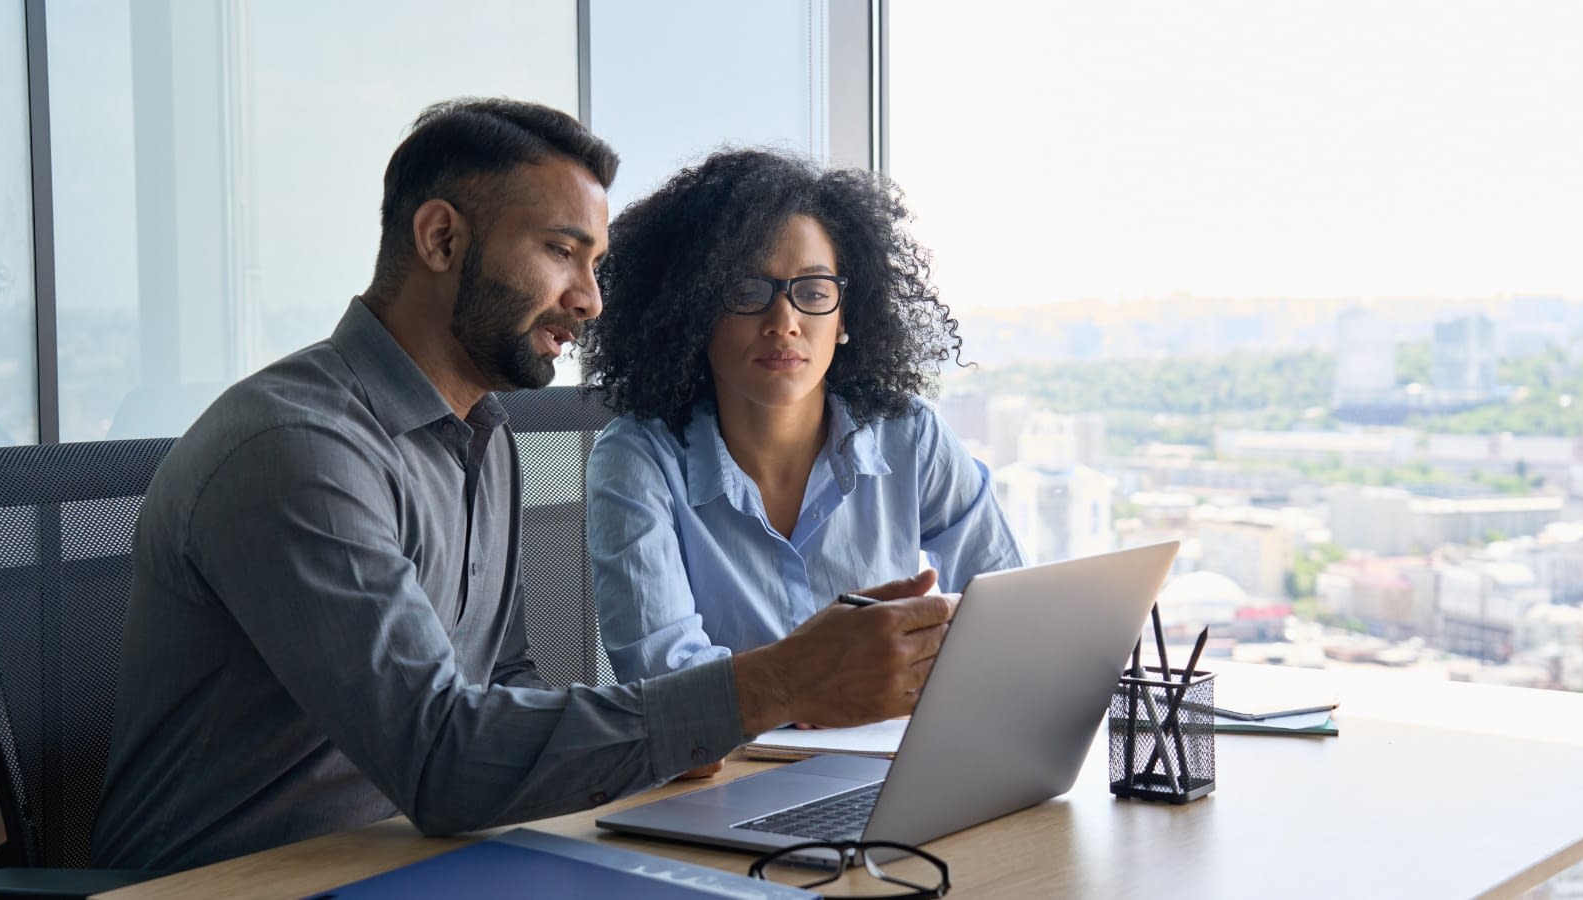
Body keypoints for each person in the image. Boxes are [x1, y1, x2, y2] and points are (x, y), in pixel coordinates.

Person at [89, 99, 955, 872]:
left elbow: (502, 681)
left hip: (423, 859)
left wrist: (673, 729)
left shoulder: (484, 435)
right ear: (441, 239)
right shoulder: (297, 450)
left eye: (596, 262)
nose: (590, 301)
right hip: (248, 880)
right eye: (560, 253)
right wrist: (768, 686)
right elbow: (440, 759)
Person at [580, 149, 1025, 694]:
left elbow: (1008, 608)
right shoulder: (637, 459)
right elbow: (666, 681)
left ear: (844, 318)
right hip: (729, 770)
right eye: (747, 291)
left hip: (888, 756)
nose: (784, 322)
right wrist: (821, 687)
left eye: (813, 293)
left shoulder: (909, 435)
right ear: (695, 312)